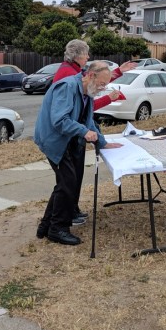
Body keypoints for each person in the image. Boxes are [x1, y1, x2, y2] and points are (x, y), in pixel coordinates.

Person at [34, 61, 123, 245]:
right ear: (90, 76)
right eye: (101, 84)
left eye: (105, 85)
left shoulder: (87, 92)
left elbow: (88, 121)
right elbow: (59, 120)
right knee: (68, 183)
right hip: (54, 140)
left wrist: (102, 142)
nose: (102, 88)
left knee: (66, 183)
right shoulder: (67, 87)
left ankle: (46, 226)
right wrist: (83, 132)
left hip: (67, 140)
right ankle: (58, 229)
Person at [52, 39, 135, 226]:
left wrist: (119, 72)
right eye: (86, 53)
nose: (88, 56)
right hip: (68, 136)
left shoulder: (74, 71)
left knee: (72, 179)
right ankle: (62, 219)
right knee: (67, 182)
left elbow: (95, 83)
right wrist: (108, 98)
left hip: (76, 133)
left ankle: (64, 215)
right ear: (78, 55)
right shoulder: (68, 76)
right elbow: (83, 108)